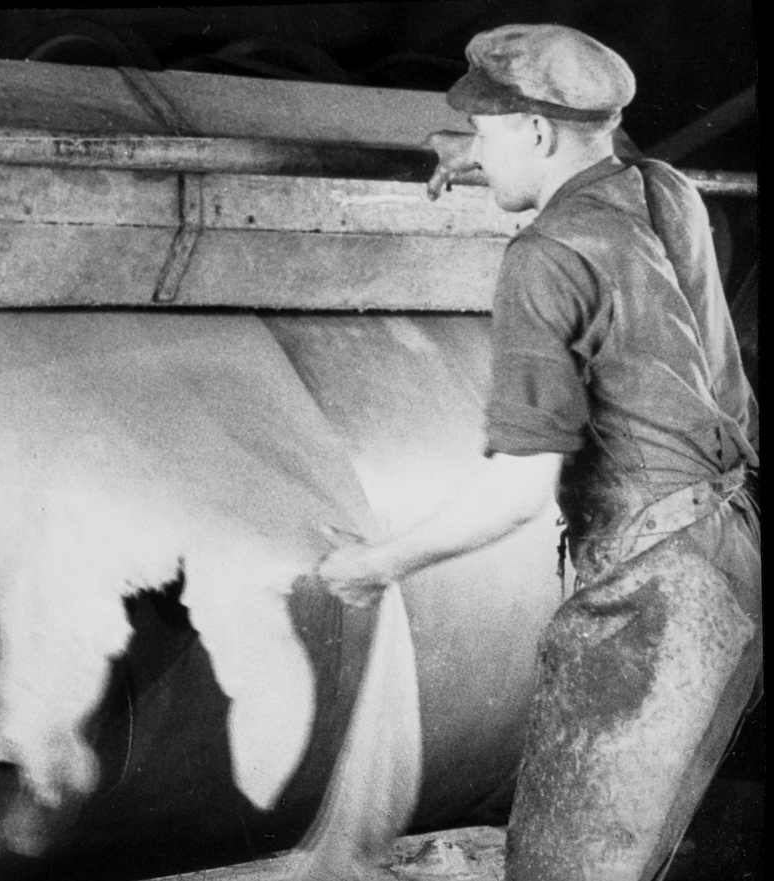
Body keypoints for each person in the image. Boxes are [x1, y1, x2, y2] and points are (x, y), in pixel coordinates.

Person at [317, 23, 760, 881]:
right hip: (733, 551)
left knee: (570, 865)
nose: (476, 150)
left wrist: (377, 564)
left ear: (537, 131)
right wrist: (483, 155)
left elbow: (518, 489)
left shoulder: (544, 256)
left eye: (486, 132)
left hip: (658, 597)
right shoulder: (665, 189)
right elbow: (602, 170)